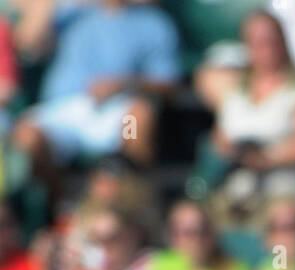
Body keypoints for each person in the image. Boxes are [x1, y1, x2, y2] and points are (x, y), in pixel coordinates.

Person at [12, 0, 181, 185]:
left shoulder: (153, 23)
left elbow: (167, 84)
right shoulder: (69, 14)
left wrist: (122, 84)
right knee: (26, 136)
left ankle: (136, 195)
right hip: (63, 112)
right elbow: (27, 42)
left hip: (118, 112)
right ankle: (56, 203)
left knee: (137, 122)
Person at [204, 9, 295, 218]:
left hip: (283, 189)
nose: (264, 49)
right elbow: (220, 139)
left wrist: (265, 159)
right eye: (256, 42)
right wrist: (238, 153)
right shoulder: (236, 93)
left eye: (269, 41)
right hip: (237, 188)